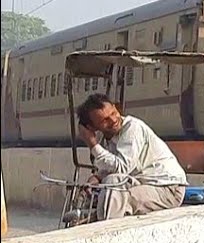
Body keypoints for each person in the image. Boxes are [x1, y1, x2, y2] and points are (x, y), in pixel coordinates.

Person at [75, 93, 187, 221]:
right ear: (92, 128)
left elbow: (123, 168)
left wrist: (92, 144)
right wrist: (97, 177)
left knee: (115, 199)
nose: (113, 120)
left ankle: (105, 229)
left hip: (167, 188)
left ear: (115, 107)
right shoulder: (106, 139)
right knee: (109, 190)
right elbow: (113, 168)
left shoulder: (132, 128)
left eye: (113, 113)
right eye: (105, 120)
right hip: (143, 184)